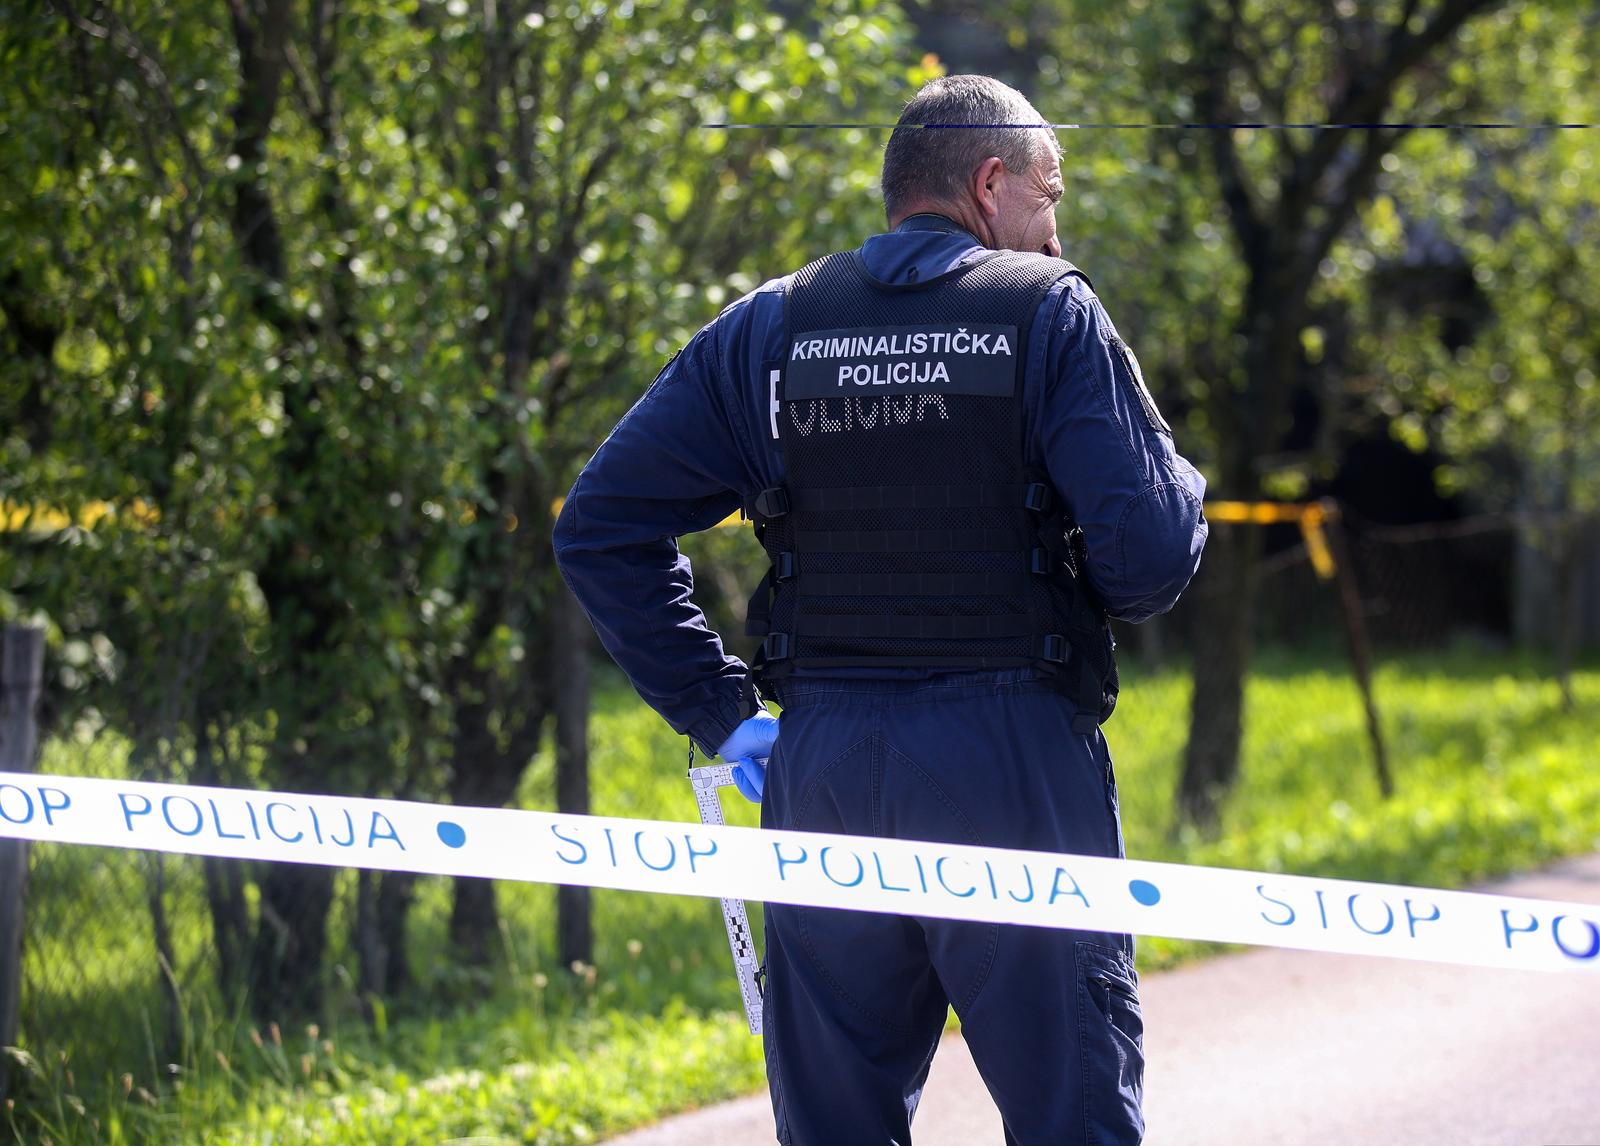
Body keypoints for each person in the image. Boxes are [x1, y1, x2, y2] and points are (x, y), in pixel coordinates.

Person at [554, 74, 1207, 1146]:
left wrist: (720, 712)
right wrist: (1168, 480)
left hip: (822, 772)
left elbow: (598, 526)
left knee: (838, 1126)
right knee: (1071, 1118)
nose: (1054, 230)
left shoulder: (769, 326)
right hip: (1012, 773)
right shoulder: (1049, 313)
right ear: (990, 185)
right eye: (1049, 197)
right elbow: (1146, 566)